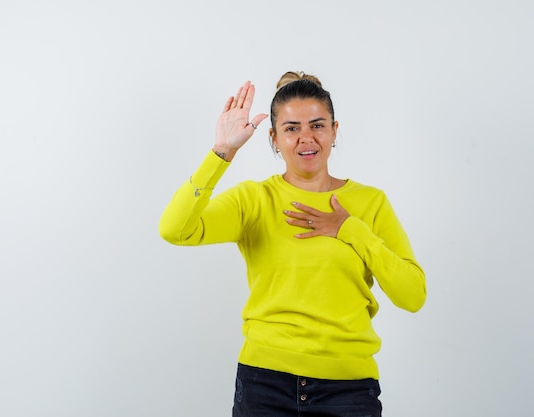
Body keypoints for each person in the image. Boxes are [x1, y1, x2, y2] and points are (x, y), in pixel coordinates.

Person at [158, 71, 426, 417]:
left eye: (317, 125)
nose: (306, 138)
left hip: (348, 391)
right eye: (291, 128)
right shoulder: (255, 200)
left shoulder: (371, 202)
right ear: (273, 137)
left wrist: (350, 229)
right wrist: (222, 151)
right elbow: (175, 230)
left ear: (334, 130)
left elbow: (413, 295)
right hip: (264, 385)